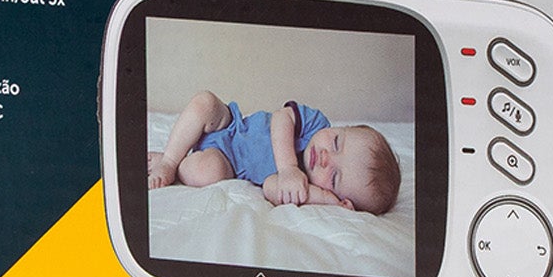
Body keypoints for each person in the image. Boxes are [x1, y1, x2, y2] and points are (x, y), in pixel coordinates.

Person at [147, 90, 400, 214]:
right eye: (336, 143)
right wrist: (289, 167)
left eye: (334, 177)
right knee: (205, 102)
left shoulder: (302, 184)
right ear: (340, 128)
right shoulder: (316, 124)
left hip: (227, 161)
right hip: (232, 124)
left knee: (207, 172)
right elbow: (281, 117)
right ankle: (169, 159)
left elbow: (269, 187)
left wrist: (325, 199)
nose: (325, 158)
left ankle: (177, 163)